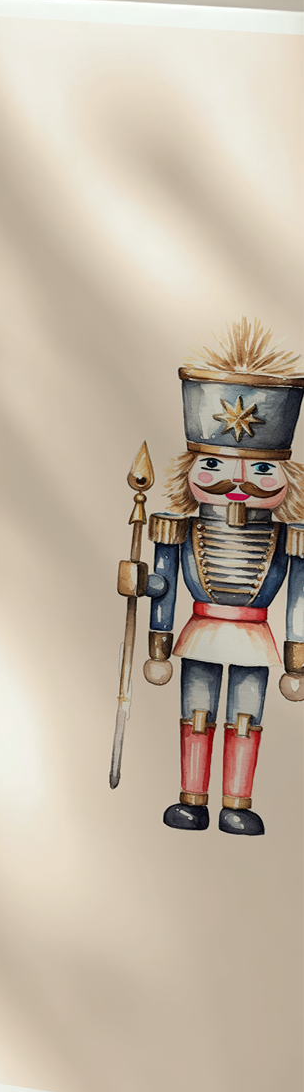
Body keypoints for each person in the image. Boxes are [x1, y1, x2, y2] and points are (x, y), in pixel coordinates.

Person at [129, 320, 304, 834]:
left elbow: (298, 597)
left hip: (255, 635)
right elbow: (164, 582)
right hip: (201, 629)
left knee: (246, 718)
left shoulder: (289, 538)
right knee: (197, 714)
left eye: (261, 470)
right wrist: (144, 588)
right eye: (214, 463)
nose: (237, 482)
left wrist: (298, 657)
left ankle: (237, 803)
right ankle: (192, 798)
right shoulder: (176, 530)